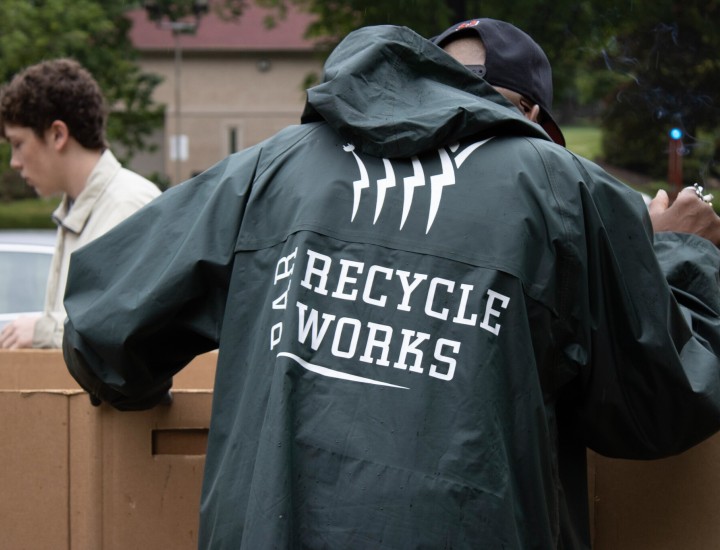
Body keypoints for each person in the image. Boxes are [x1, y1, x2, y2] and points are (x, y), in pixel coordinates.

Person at [61, 18, 720, 549]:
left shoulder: (273, 165)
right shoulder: (562, 188)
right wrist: (678, 255)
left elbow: (101, 331)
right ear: (541, 125)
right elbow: (662, 401)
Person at [0, 58, 160, 349]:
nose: (14, 162)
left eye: (18, 143)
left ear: (58, 134)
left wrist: (42, 332)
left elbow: (130, 340)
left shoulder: (129, 206)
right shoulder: (79, 208)